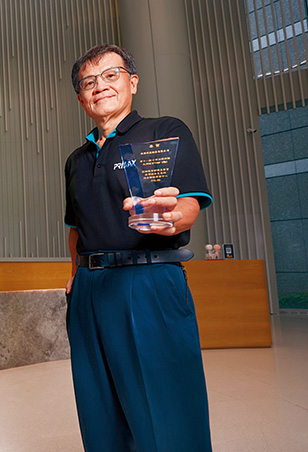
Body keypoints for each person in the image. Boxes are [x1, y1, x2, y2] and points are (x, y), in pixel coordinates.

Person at [63, 44, 214, 451]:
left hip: (148, 279)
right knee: (99, 411)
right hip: (89, 291)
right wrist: (75, 277)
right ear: (81, 98)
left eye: (111, 75)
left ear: (132, 82)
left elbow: (188, 206)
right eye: (88, 82)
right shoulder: (76, 160)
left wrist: (169, 217)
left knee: (166, 410)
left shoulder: (165, 131)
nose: (100, 86)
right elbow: (76, 227)